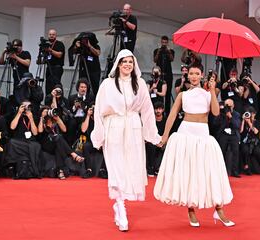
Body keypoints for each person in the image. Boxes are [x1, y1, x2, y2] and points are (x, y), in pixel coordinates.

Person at [154, 63, 234, 228]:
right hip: (185, 134)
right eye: (191, 73)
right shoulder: (182, 95)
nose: (194, 76)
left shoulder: (208, 93)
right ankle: (191, 210)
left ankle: (218, 209)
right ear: (188, 75)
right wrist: (165, 136)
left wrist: (212, 90)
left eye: (197, 73)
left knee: (209, 173)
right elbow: (172, 115)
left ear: (202, 75)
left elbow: (216, 112)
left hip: (203, 135)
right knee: (189, 173)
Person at [91, 49, 161, 232]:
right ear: (118, 64)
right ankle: (120, 205)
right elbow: (98, 110)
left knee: (132, 166)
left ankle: (119, 203)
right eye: (124, 61)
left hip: (133, 128)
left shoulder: (140, 84)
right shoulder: (107, 84)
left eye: (130, 61)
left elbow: (147, 110)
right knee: (117, 167)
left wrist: (153, 135)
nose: (128, 65)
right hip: (113, 127)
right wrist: (99, 135)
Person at [153, 36, 175, 115]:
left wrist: (168, 51)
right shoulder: (157, 50)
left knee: (168, 93)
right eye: (163, 42)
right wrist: (159, 51)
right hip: (159, 75)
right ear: (161, 42)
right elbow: (154, 60)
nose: (164, 44)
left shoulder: (171, 51)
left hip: (168, 74)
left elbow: (172, 59)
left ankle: (167, 112)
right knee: (158, 92)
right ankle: (158, 111)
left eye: (165, 43)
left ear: (167, 43)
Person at [44, 29, 65, 95]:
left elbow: (59, 55)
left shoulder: (59, 44)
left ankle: (57, 100)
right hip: (49, 67)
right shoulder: (46, 45)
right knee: (48, 85)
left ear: (56, 35)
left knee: (56, 85)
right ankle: (48, 100)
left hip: (57, 68)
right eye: (50, 34)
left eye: (53, 34)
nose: (51, 36)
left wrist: (50, 50)